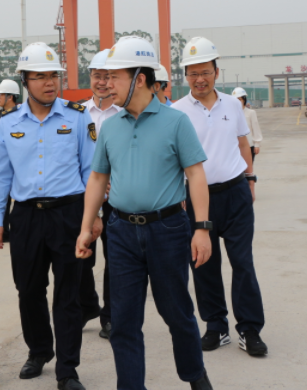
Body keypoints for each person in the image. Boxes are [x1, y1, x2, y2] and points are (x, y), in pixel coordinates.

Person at [76, 35, 215, 390]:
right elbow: (98, 177)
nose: (107, 84)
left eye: (115, 76)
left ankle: (195, 376)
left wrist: (201, 228)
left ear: (139, 78)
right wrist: (86, 226)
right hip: (121, 232)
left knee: (177, 313)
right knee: (123, 321)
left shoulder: (175, 122)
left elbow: (196, 174)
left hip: (167, 230)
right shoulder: (110, 126)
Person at [0, 42, 96, 390]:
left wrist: (92, 216)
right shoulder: (8, 124)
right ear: (25, 80)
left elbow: (91, 171)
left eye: (53, 75)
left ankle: (67, 369)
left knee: (68, 295)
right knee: (29, 290)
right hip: (26, 218)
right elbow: (1, 175)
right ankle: (39, 351)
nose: (49, 82)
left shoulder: (77, 117)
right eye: (40, 76)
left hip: (68, 214)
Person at [171, 37, 267, 357]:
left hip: (235, 193)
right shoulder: (177, 112)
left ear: (216, 71)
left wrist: (250, 180)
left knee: (243, 262)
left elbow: (243, 144)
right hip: (197, 199)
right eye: (193, 73)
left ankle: (249, 329)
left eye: (205, 72)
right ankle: (216, 326)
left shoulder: (232, 105)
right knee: (204, 263)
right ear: (186, 75)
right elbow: (172, 160)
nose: (200, 79)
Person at [79, 49, 121, 340]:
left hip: (118, 199)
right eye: (97, 76)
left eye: (108, 76)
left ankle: (110, 316)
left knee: (116, 261)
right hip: (85, 199)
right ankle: (86, 306)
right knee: (82, 259)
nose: (103, 82)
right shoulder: (77, 114)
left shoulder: (126, 114)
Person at [0, 79, 20, 243]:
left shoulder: (22, 114)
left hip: (18, 163)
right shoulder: (0, 116)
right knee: (4, 197)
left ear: (10, 97)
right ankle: (4, 230)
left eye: (0, 94)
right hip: (6, 163)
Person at [231, 87, 262, 164]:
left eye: (239, 99)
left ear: (244, 100)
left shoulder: (251, 113)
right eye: (235, 100)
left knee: (248, 168)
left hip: (249, 146)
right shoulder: (230, 114)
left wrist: (257, 144)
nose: (237, 102)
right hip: (234, 147)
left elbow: (255, 129)